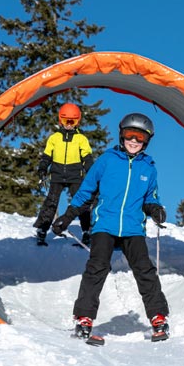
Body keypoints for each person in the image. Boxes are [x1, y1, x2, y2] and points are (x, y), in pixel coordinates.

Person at [52, 112, 170, 342]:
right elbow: (86, 191)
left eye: (140, 137)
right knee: (96, 268)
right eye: (129, 135)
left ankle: (158, 317)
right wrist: (68, 216)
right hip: (104, 224)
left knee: (145, 271)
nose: (134, 140)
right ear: (121, 135)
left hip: (133, 228)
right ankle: (84, 319)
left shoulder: (149, 168)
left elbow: (150, 198)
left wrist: (155, 209)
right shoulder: (107, 160)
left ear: (147, 140)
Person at [33, 103, 95, 246]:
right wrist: (42, 168)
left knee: (81, 202)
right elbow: (47, 156)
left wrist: (91, 174)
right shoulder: (54, 138)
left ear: (77, 121)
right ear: (60, 120)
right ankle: (42, 229)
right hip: (57, 174)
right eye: (65, 120)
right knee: (51, 202)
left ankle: (87, 231)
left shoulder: (81, 139)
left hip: (75, 175)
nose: (68, 124)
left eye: (72, 121)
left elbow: (87, 157)